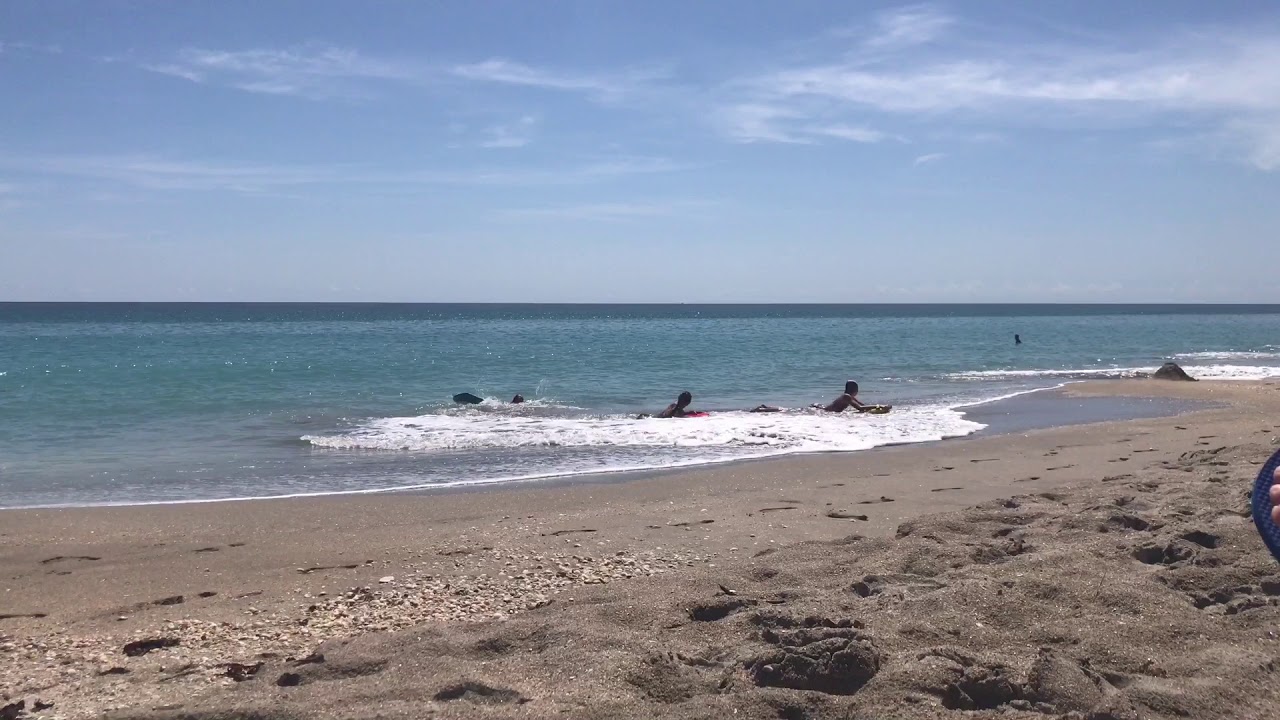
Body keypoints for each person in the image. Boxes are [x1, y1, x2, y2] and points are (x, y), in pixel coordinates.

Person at [813, 380, 889, 413]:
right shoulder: (846, 397)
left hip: (825, 409)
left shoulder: (849, 396)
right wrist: (879, 406)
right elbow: (860, 408)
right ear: (855, 390)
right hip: (824, 410)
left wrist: (877, 409)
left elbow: (863, 406)